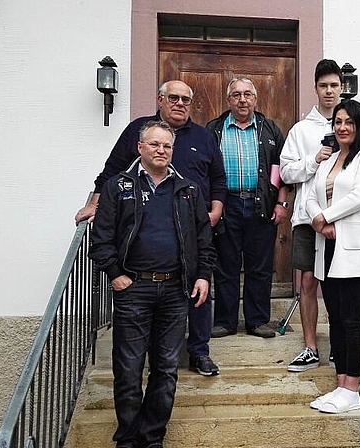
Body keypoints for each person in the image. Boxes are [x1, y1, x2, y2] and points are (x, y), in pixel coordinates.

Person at [75, 80, 226, 377]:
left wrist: (217, 208)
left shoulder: (204, 136)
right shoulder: (139, 130)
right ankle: (145, 360)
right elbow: (112, 169)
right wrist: (95, 203)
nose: (180, 103)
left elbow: (217, 177)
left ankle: (199, 351)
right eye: (174, 98)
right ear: (160, 100)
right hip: (149, 236)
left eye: (185, 99)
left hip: (193, 227)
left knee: (198, 289)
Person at [89, 120, 216, 448]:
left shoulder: (188, 190)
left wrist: (202, 276)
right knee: (129, 369)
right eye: (155, 145)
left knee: (166, 368)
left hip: (176, 290)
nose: (161, 150)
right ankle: (128, 438)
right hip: (134, 290)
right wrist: (116, 273)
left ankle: (152, 437)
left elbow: (204, 239)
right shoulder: (120, 186)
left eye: (167, 146)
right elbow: (101, 239)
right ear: (140, 148)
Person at [305, 100, 360, 414]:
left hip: (354, 248)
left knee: (352, 320)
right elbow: (311, 195)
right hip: (328, 246)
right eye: (337, 122)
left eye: (348, 121)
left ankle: (352, 387)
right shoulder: (331, 158)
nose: (342, 127)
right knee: (335, 318)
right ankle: (340, 386)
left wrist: (326, 217)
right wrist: (318, 221)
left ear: (359, 124)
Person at [205, 77, 290, 338]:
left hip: (260, 204)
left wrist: (281, 202)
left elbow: (281, 170)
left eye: (247, 95)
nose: (242, 99)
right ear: (228, 100)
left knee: (260, 266)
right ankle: (225, 321)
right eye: (236, 95)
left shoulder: (269, 129)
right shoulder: (214, 129)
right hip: (225, 204)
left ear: (255, 98)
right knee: (225, 265)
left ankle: (257, 320)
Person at [280, 59, 342, 371]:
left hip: (340, 218)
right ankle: (309, 347)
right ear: (315, 88)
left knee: (337, 282)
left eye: (334, 85)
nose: (328, 91)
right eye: (323, 86)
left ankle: (338, 346)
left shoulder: (351, 125)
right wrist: (313, 159)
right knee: (307, 281)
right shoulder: (301, 130)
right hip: (306, 218)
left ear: (341, 87)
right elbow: (287, 173)